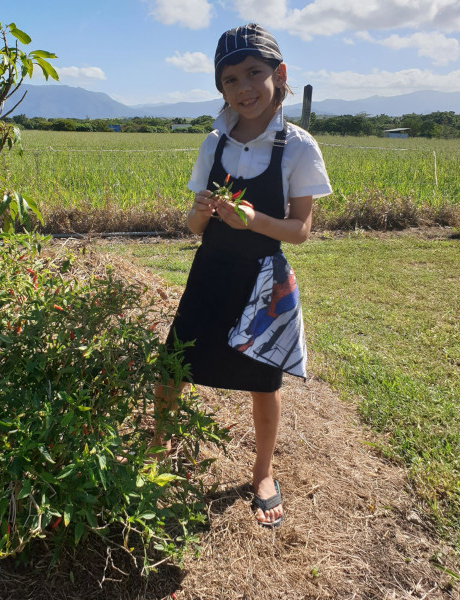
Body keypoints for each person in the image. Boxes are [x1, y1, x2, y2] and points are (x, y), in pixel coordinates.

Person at [156, 23, 332, 528]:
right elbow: (192, 226)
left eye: (254, 73)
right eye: (230, 79)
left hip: (262, 280)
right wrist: (204, 210)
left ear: (279, 74)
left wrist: (251, 220)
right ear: (221, 89)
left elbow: (299, 231)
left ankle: (262, 473)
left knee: (262, 381)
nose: (244, 88)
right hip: (209, 271)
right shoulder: (214, 142)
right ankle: (156, 448)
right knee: (174, 366)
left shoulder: (297, 146)